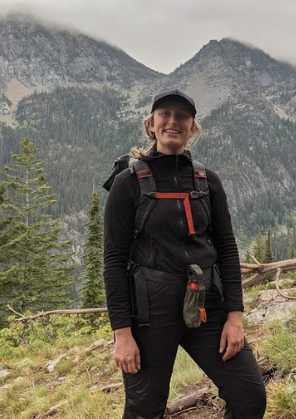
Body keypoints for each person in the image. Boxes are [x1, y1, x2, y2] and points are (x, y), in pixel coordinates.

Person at [103, 89, 266, 419]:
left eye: (182, 116)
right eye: (165, 114)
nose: (173, 122)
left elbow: (227, 248)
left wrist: (235, 316)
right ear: (151, 124)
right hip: (149, 313)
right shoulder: (128, 183)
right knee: (144, 411)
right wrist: (122, 334)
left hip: (208, 306)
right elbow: (114, 260)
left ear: (193, 128)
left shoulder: (207, 182)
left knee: (249, 396)